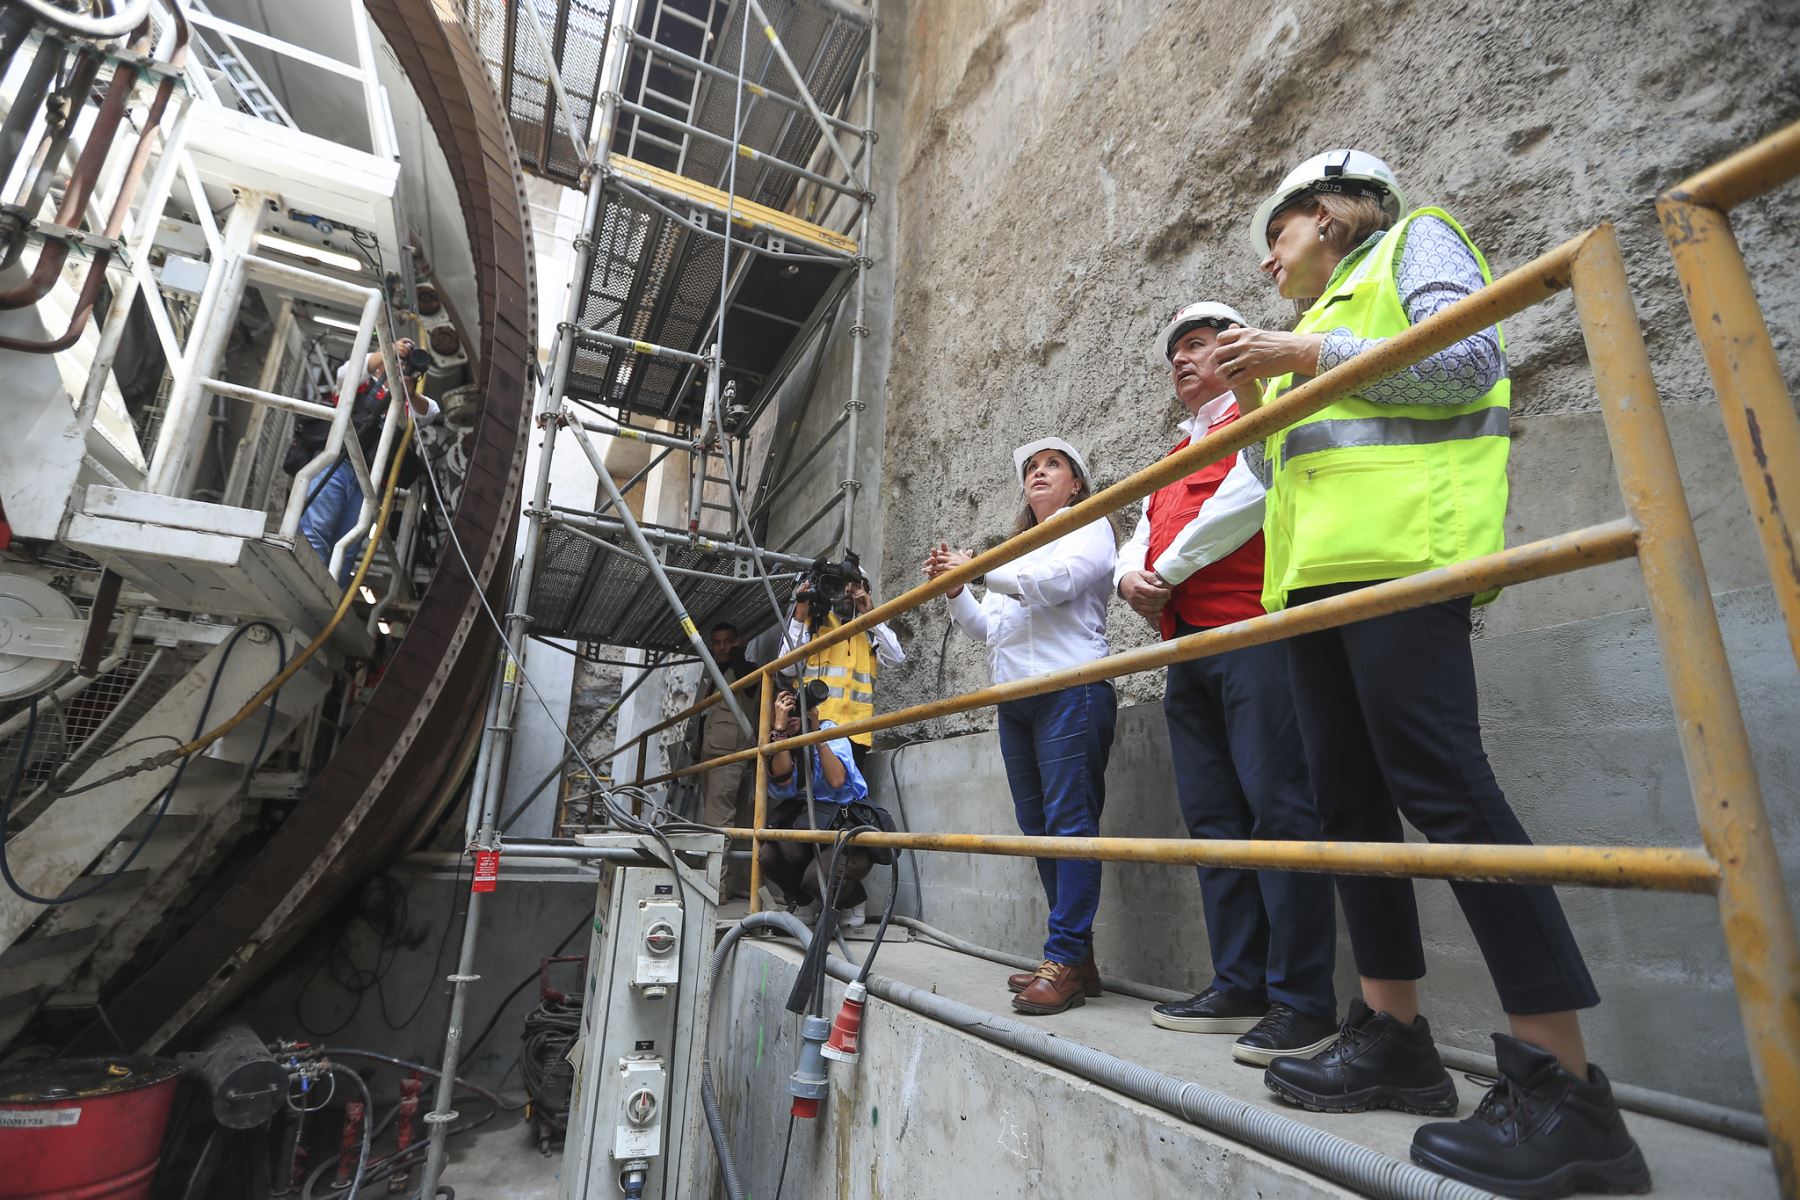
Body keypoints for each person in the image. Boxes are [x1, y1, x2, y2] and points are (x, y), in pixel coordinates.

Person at [1216, 149, 1646, 1196]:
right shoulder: (1310, 326)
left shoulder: (1418, 241)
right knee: (1350, 810)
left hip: (1411, 558)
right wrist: (1260, 400)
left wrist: (1309, 351)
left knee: (1448, 793)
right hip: (1318, 586)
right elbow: (1283, 472)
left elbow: (1464, 361)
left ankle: (1567, 1089)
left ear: (1324, 214)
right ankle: (1394, 1039)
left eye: (1276, 235)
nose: (1269, 262)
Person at [1114, 301, 1337, 1065]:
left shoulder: (1260, 411)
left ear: (1237, 347)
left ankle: (1304, 1001)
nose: (1182, 358)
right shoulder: (1175, 452)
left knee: (1280, 811)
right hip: (1187, 649)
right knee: (1214, 824)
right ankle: (1239, 980)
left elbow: (1247, 504)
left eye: (1199, 344)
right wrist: (1129, 580)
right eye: (1174, 350)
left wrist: (1162, 576)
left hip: (1252, 634)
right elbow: (1138, 534)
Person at [925, 437, 1117, 1017]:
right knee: (1040, 828)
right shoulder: (1015, 550)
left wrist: (980, 569)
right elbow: (989, 628)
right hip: (1019, 698)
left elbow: (1058, 584)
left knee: (1068, 824)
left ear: (1076, 483)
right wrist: (958, 590)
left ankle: (1062, 959)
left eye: (1052, 465)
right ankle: (1076, 960)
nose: (1038, 473)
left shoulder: (1090, 524)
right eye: (1031, 468)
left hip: (1070, 687)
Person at [293, 337, 438, 589]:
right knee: (315, 529)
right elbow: (346, 373)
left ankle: (331, 595)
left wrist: (410, 391)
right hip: (335, 463)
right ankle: (304, 585)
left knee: (348, 544)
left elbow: (430, 412)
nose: (400, 368)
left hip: (369, 482)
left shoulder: (405, 404)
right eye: (396, 363)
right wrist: (388, 351)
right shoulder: (358, 382)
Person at [758, 678, 895, 926]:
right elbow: (782, 782)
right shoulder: (779, 741)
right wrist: (780, 730)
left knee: (816, 878)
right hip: (811, 827)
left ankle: (853, 900)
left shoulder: (829, 731)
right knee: (769, 854)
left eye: (794, 710)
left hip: (846, 831)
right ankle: (806, 903)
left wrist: (816, 733)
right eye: (784, 711)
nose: (790, 716)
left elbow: (837, 779)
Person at [783, 566, 904, 768]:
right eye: (842, 584)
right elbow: (786, 668)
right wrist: (799, 617)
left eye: (855, 585)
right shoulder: (814, 621)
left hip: (855, 735)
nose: (848, 590)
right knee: (809, 794)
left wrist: (872, 616)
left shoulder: (868, 628)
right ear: (831, 589)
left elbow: (896, 658)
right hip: (812, 727)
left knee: (844, 797)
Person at [690, 621, 760, 898]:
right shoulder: (715, 674)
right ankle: (720, 886)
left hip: (729, 756)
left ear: (739, 643)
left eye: (727, 641)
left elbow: (750, 681)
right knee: (715, 821)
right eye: (716, 642)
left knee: (717, 825)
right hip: (711, 755)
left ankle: (714, 891)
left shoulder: (745, 670)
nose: (721, 648)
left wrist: (736, 653)